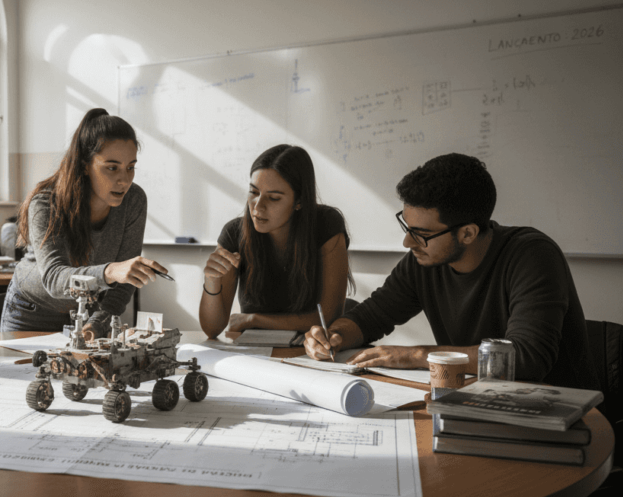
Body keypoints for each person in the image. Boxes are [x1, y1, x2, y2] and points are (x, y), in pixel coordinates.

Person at [303, 153, 598, 390]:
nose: (408, 242)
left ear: (467, 234)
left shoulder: (532, 255)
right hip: (475, 400)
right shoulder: (424, 260)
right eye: (406, 227)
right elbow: (370, 317)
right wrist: (334, 335)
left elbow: (526, 358)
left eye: (421, 233)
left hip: (554, 411)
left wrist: (415, 355)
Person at [1, 108, 167, 339]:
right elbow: (54, 278)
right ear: (84, 165)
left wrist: (97, 322)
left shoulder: (134, 201)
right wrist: (110, 271)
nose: (125, 179)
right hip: (31, 313)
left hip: (86, 314)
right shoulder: (46, 203)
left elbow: (124, 285)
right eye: (112, 167)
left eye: (130, 167)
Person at [200, 145, 351, 338]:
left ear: (300, 201)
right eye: (254, 192)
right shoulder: (234, 233)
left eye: (273, 198)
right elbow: (212, 329)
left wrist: (255, 320)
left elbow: (327, 320)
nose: (258, 206)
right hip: (257, 355)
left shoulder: (326, 224)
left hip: (311, 352)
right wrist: (212, 282)